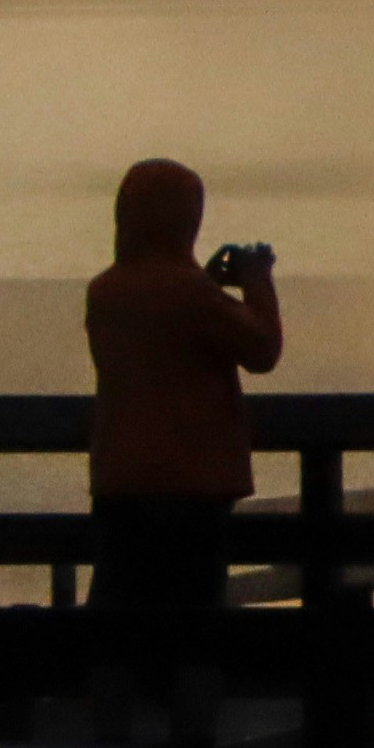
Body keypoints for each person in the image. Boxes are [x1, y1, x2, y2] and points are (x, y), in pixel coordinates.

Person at [82, 155, 282, 626]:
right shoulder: (193, 296)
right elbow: (262, 349)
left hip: (121, 480)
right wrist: (258, 285)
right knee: (193, 634)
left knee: (116, 632)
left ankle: (112, 702)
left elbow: (163, 330)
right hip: (191, 488)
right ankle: (191, 703)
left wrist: (206, 284)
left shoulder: (105, 291)